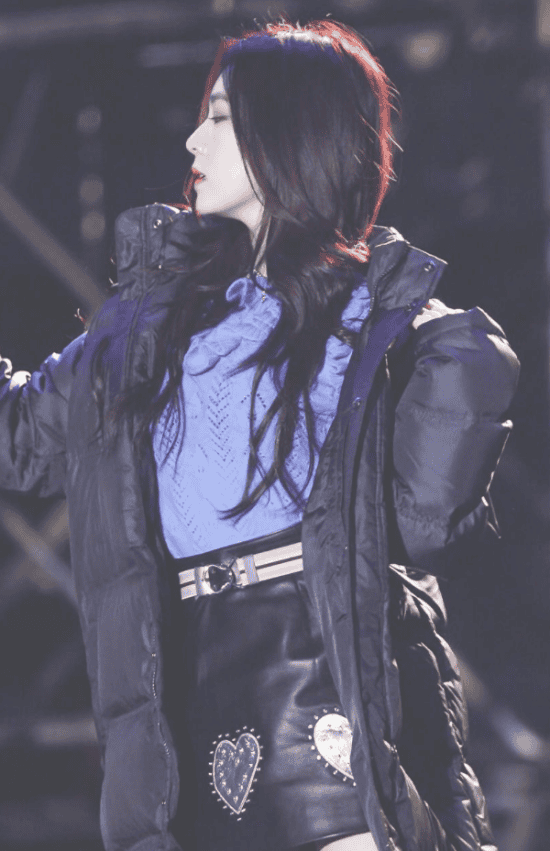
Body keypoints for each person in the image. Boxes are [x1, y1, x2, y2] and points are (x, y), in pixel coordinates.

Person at [0, 18, 519, 851]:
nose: (191, 138)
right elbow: (18, 435)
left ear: (288, 133)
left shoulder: (378, 319)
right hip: (178, 707)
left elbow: (427, 521)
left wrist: (455, 359)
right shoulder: (143, 329)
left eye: (218, 116)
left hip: (325, 694)